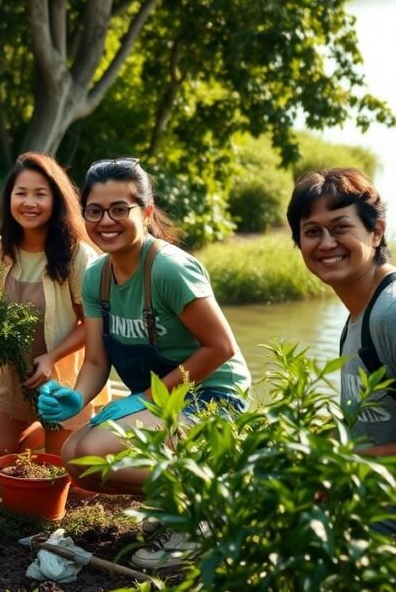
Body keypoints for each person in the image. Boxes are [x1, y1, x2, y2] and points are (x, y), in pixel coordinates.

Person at [39, 157, 250, 569]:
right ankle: (174, 504)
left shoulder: (169, 269)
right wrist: (76, 397)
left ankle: (202, 512)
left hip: (214, 400)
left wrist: (146, 398)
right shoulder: (97, 275)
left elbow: (220, 347)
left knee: (96, 448)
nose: (106, 221)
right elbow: (97, 359)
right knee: (75, 454)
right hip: (162, 401)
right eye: (95, 211)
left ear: (147, 212)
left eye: (121, 209)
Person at [0, 153, 105, 470]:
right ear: (9, 199)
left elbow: (91, 324)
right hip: (14, 377)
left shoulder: (77, 255)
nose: (29, 202)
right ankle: (38, 430)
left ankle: (82, 431)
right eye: (21, 193)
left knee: (67, 473)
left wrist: (52, 357)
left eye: (40, 194)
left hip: (61, 380)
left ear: (55, 200)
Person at [287, 168, 396, 531]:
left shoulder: (391, 313)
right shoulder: (358, 315)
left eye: (340, 227)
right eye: (312, 232)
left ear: (376, 231)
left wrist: (338, 465)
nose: (326, 243)